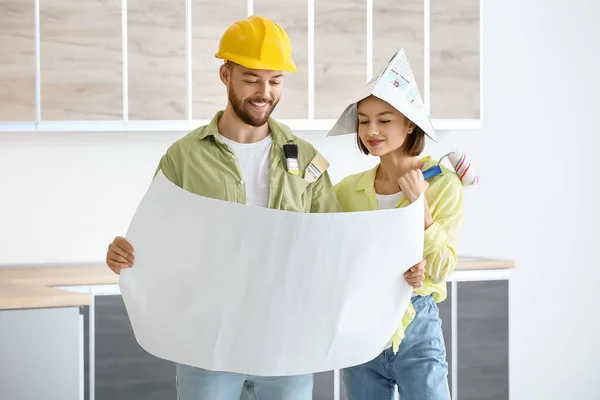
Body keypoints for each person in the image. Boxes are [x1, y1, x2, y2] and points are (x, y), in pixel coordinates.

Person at [330, 48, 463, 400]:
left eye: (384, 120)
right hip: (360, 326)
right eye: (363, 119)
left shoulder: (444, 184)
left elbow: (442, 268)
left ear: (409, 123)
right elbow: (334, 257)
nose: (371, 130)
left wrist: (421, 208)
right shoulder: (345, 191)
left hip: (417, 325)